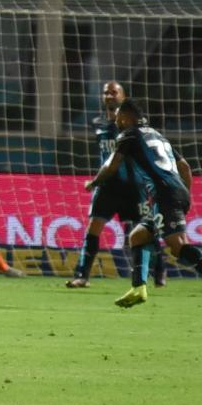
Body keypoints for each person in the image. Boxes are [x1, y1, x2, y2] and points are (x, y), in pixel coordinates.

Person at [86, 99, 202, 307]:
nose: (117, 120)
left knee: (178, 248)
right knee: (138, 236)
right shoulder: (157, 135)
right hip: (172, 193)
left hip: (165, 194)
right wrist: (186, 195)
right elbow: (185, 167)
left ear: (127, 117)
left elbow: (112, 166)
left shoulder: (128, 135)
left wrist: (95, 182)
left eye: (120, 116)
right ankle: (138, 288)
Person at [67, 81, 166, 288]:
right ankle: (82, 276)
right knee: (93, 228)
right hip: (107, 186)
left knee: (144, 230)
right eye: (106, 93)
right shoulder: (98, 123)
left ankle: (159, 270)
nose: (110, 96)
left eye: (114, 92)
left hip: (133, 186)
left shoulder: (137, 124)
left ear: (123, 96)